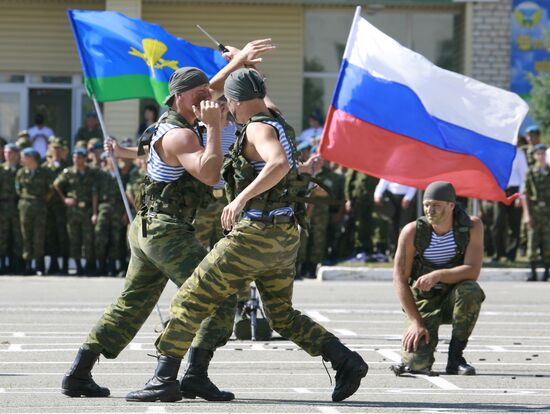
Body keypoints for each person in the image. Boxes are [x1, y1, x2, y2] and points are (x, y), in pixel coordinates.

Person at [126, 67, 368, 403]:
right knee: (281, 315)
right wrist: (242, 65)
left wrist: (240, 198)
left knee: (190, 297)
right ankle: (345, 360)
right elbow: (262, 102)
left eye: (229, 103)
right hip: (285, 235)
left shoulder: (256, 128)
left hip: (255, 235)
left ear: (240, 101)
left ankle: (165, 378)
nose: (227, 108)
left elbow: (279, 163)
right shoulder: (276, 120)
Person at [60, 42, 273, 400]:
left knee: (132, 303)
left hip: (151, 228)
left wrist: (236, 64)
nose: (208, 98)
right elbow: (208, 174)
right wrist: (215, 127)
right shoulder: (181, 134)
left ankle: (79, 373)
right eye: (199, 94)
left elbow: (209, 85)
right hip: (165, 229)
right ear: (178, 98)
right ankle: (189, 375)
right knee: (217, 295)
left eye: (210, 92)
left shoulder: (174, 117)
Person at [390, 181, 485, 376]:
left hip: (453, 297)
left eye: (436, 206)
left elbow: (472, 271)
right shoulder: (412, 232)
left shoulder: (471, 227)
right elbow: (400, 280)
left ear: (451, 205)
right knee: (416, 364)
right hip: (423, 301)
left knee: (471, 290)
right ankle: (417, 353)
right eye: (427, 205)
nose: (430, 210)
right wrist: (415, 321)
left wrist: (438, 274)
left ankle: (455, 358)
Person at [53, 147, 98, 276]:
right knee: (74, 239)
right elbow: (56, 185)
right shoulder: (68, 172)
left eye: (79, 157)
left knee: (88, 239)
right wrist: (65, 199)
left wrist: (94, 212)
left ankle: (88, 266)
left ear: (84, 158)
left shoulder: (91, 172)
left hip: (87, 209)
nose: (76, 160)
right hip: (73, 211)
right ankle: (78, 267)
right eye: (74, 157)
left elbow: (94, 193)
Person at [15, 147, 51, 275]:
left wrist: (40, 200)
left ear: (32, 158)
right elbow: (18, 189)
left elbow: (49, 190)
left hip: (39, 206)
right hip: (25, 206)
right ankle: (27, 265)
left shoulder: (44, 173)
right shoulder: (20, 173)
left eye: (24, 156)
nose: (22, 159)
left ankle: (39, 266)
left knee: (39, 237)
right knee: (25, 236)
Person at [491, 145, 528, 263]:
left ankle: (511, 255)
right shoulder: (497, 150)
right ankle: (498, 253)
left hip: (515, 191)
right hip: (501, 190)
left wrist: (520, 197)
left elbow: (524, 176)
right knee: (498, 224)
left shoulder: (519, 153)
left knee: (514, 225)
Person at [93, 152, 127, 276]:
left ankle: (112, 267)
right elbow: (95, 194)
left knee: (116, 238)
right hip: (104, 208)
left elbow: (126, 195)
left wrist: (125, 213)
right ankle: (101, 266)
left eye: (113, 156)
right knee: (100, 237)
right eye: (108, 157)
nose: (111, 159)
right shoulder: (101, 174)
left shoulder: (122, 175)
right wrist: (94, 213)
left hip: (117, 209)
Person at [522, 143, 550, 281]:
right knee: (532, 242)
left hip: (548, 212)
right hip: (534, 211)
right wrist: (527, 214)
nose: (541, 156)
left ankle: (546, 273)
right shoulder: (530, 172)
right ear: (534, 156)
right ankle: (532, 273)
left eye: (543, 153)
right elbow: (525, 194)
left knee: (547, 242)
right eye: (538, 154)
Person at [43, 137, 70, 275]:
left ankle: (64, 265)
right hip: (49, 206)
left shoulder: (67, 166)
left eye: (59, 148)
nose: (57, 151)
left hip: (62, 207)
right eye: (54, 148)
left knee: (63, 235)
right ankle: (53, 264)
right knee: (51, 235)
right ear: (50, 149)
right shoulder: (45, 167)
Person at [374, 179, 417, 256]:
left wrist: (408, 197)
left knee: (404, 226)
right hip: (391, 198)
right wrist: (378, 195)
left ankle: (404, 252)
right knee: (391, 226)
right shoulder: (390, 168)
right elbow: (383, 181)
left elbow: (413, 183)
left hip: (406, 198)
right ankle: (392, 252)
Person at [0, 143, 23, 274]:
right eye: (6, 153)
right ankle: (2, 263)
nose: (9, 155)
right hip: (3, 206)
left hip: (17, 206)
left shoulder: (21, 170)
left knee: (17, 235)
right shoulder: (1, 169)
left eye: (12, 153)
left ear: (17, 154)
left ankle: (17, 263)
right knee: (2, 235)